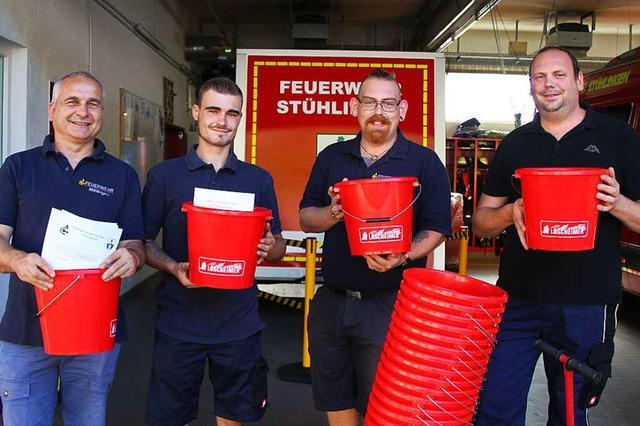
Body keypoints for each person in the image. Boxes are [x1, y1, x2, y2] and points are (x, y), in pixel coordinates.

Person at [472, 46, 640, 426]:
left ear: (579, 81)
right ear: (530, 86)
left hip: (587, 301)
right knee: (495, 407)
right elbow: (481, 222)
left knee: (569, 411)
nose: (549, 85)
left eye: (559, 75)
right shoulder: (516, 144)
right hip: (518, 300)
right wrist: (509, 212)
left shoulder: (618, 138)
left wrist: (615, 203)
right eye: (539, 77)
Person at [299, 69, 452, 425]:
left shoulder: (424, 162)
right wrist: (335, 211)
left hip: (392, 303)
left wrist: (406, 255)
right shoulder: (332, 158)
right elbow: (307, 217)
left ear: (403, 109)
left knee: (389, 404)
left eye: (387, 102)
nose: (378, 110)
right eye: (369, 102)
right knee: (335, 398)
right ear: (356, 107)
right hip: (333, 302)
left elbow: (437, 228)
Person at [0, 71, 145, 425]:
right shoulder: (19, 167)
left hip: (96, 330)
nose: (83, 111)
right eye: (72, 102)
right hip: (26, 331)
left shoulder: (121, 176)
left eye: (93, 103)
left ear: (103, 113)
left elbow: (135, 243)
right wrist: (18, 260)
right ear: (52, 110)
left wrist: (133, 257)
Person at [142, 77, 286, 426]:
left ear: (240, 119)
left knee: (235, 416)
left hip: (239, 323)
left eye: (231, 113)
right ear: (196, 112)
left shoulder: (258, 179)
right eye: (213, 110)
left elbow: (278, 246)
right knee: (169, 418)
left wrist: (271, 246)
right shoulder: (164, 176)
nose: (222, 120)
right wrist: (174, 267)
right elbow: (142, 242)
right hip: (179, 321)